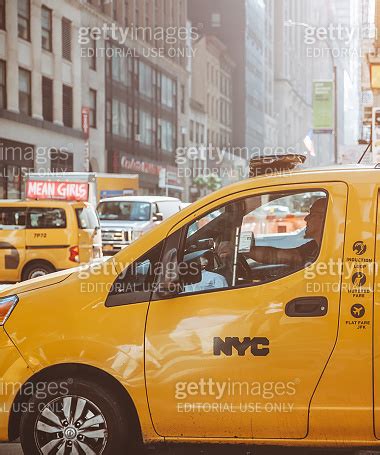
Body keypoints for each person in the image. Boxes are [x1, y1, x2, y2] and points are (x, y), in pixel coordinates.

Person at [248, 197, 327, 268]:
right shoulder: (313, 247)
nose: (306, 218)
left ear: (323, 219)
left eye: (312, 214)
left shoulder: (330, 250)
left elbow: (287, 256)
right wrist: (246, 251)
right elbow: (277, 255)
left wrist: (246, 251)